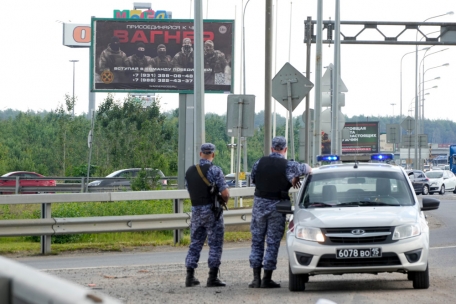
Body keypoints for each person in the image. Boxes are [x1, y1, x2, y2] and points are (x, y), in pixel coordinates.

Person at [248, 136, 312, 288]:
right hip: (276, 207)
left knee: (257, 241)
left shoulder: (259, 162)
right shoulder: (289, 165)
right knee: (272, 242)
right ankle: (267, 278)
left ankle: (255, 279)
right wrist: (294, 178)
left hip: (259, 206)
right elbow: (308, 169)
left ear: (271, 148)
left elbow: (254, 180)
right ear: (285, 149)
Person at [184, 143, 230, 288]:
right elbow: (225, 194)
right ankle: (212, 277)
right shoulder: (215, 170)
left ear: (200, 154)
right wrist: (223, 199)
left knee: (195, 243)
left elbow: (189, 189)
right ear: (213, 154)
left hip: (196, 211)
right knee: (215, 244)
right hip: (212, 211)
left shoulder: (190, 171)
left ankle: (190, 276)